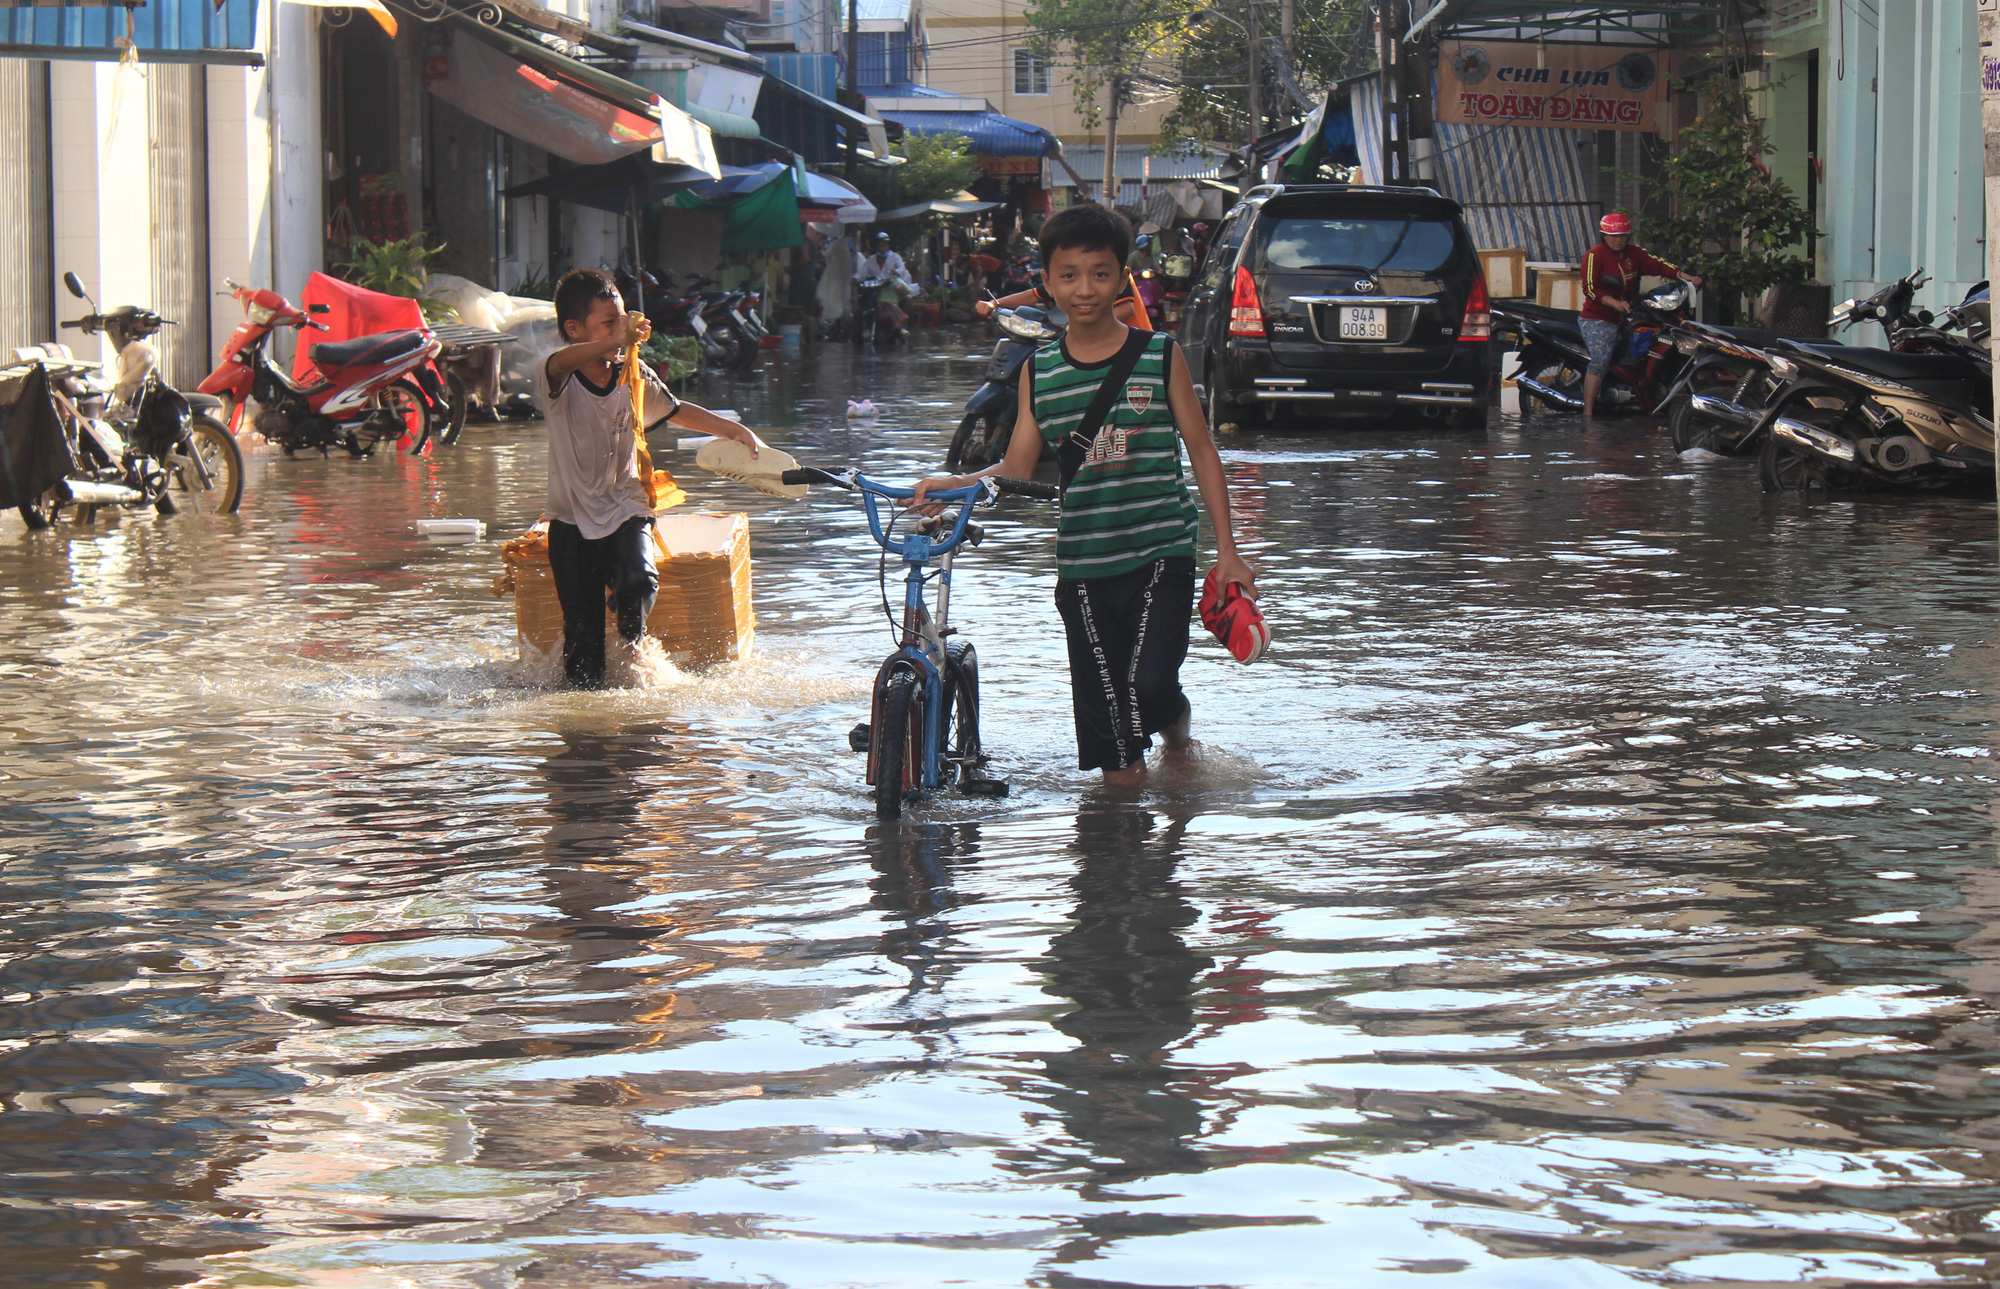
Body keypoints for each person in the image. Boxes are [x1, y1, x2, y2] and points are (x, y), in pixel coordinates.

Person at [912, 204, 1258, 790]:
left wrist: (1228, 553)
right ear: (1046, 283)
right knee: (1113, 749)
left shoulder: (1159, 355)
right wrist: (952, 487)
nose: (1084, 289)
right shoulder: (1039, 371)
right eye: (1068, 275)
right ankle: (1120, 866)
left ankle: (1176, 728)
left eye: (1100, 273)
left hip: (1160, 552)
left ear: (1123, 276)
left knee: (1149, 685)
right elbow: (1017, 466)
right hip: (1083, 565)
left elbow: (1202, 451)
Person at [542, 268, 760, 689]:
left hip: (626, 505)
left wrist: (733, 430)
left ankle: (634, 649)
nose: (621, 330)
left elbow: (676, 409)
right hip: (569, 519)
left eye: (622, 320)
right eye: (609, 322)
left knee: (639, 580)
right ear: (573, 329)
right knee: (582, 652)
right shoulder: (557, 375)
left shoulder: (632, 373)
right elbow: (561, 361)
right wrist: (615, 340)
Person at [1580, 211, 1701, 419]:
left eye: (1622, 235)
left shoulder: (1634, 253)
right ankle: (1588, 412)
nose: (1618, 240)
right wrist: (1614, 303)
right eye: (1613, 236)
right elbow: (1590, 289)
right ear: (1604, 236)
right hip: (1597, 318)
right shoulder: (1594, 255)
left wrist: (1686, 277)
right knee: (1600, 360)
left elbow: (1658, 264)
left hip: (1627, 314)